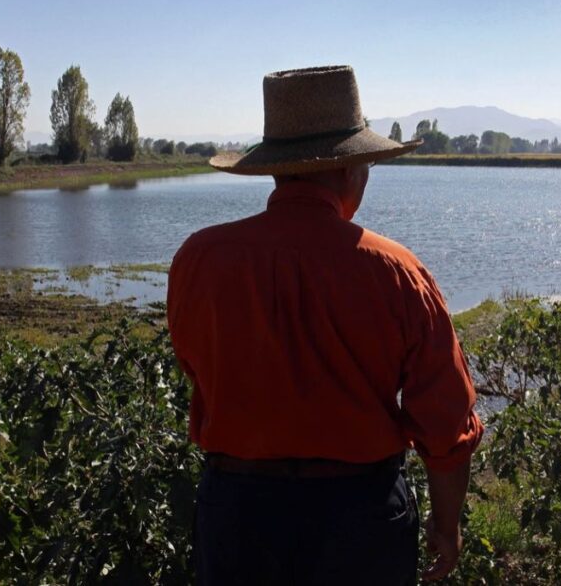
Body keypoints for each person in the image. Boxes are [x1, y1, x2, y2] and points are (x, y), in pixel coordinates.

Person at [167, 65, 483, 585]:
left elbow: (195, 366)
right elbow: (446, 424)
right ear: (349, 170)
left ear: (275, 168)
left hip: (237, 516)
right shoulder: (397, 270)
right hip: (359, 521)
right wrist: (445, 529)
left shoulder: (200, 258)